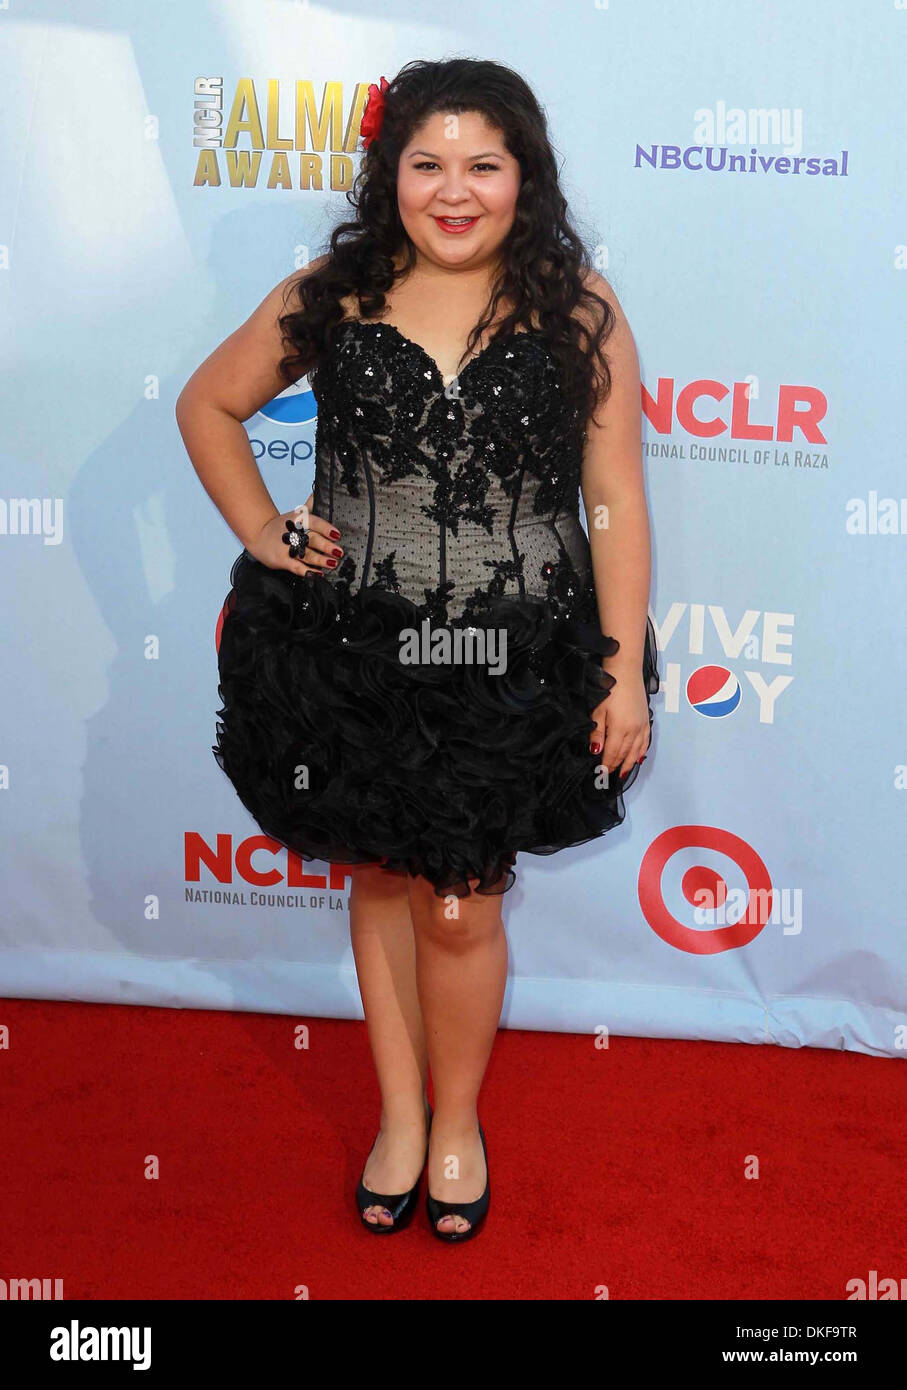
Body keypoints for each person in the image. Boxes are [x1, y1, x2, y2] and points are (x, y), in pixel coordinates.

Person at [176, 57, 659, 1243]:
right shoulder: (333, 294)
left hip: (516, 660)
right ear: (389, 172)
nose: (454, 191)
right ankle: (401, 1117)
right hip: (349, 648)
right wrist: (261, 527)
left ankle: (459, 1124)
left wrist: (619, 666)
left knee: (460, 905)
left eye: (481, 165)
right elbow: (207, 404)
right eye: (426, 163)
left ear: (522, 176)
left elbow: (614, 496)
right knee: (381, 876)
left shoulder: (576, 309)